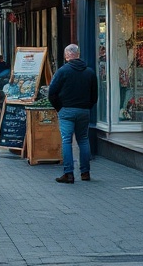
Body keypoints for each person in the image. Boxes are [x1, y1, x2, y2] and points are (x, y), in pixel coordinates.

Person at [48, 43, 98, 183]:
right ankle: (85, 172)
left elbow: (52, 92)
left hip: (67, 110)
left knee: (66, 140)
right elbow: (95, 96)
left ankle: (68, 173)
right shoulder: (89, 72)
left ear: (66, 55)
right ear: (78, 54)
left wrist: (59, 107)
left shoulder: (63, 71)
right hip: (83, 110)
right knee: (83, 140)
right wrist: (87, 106)